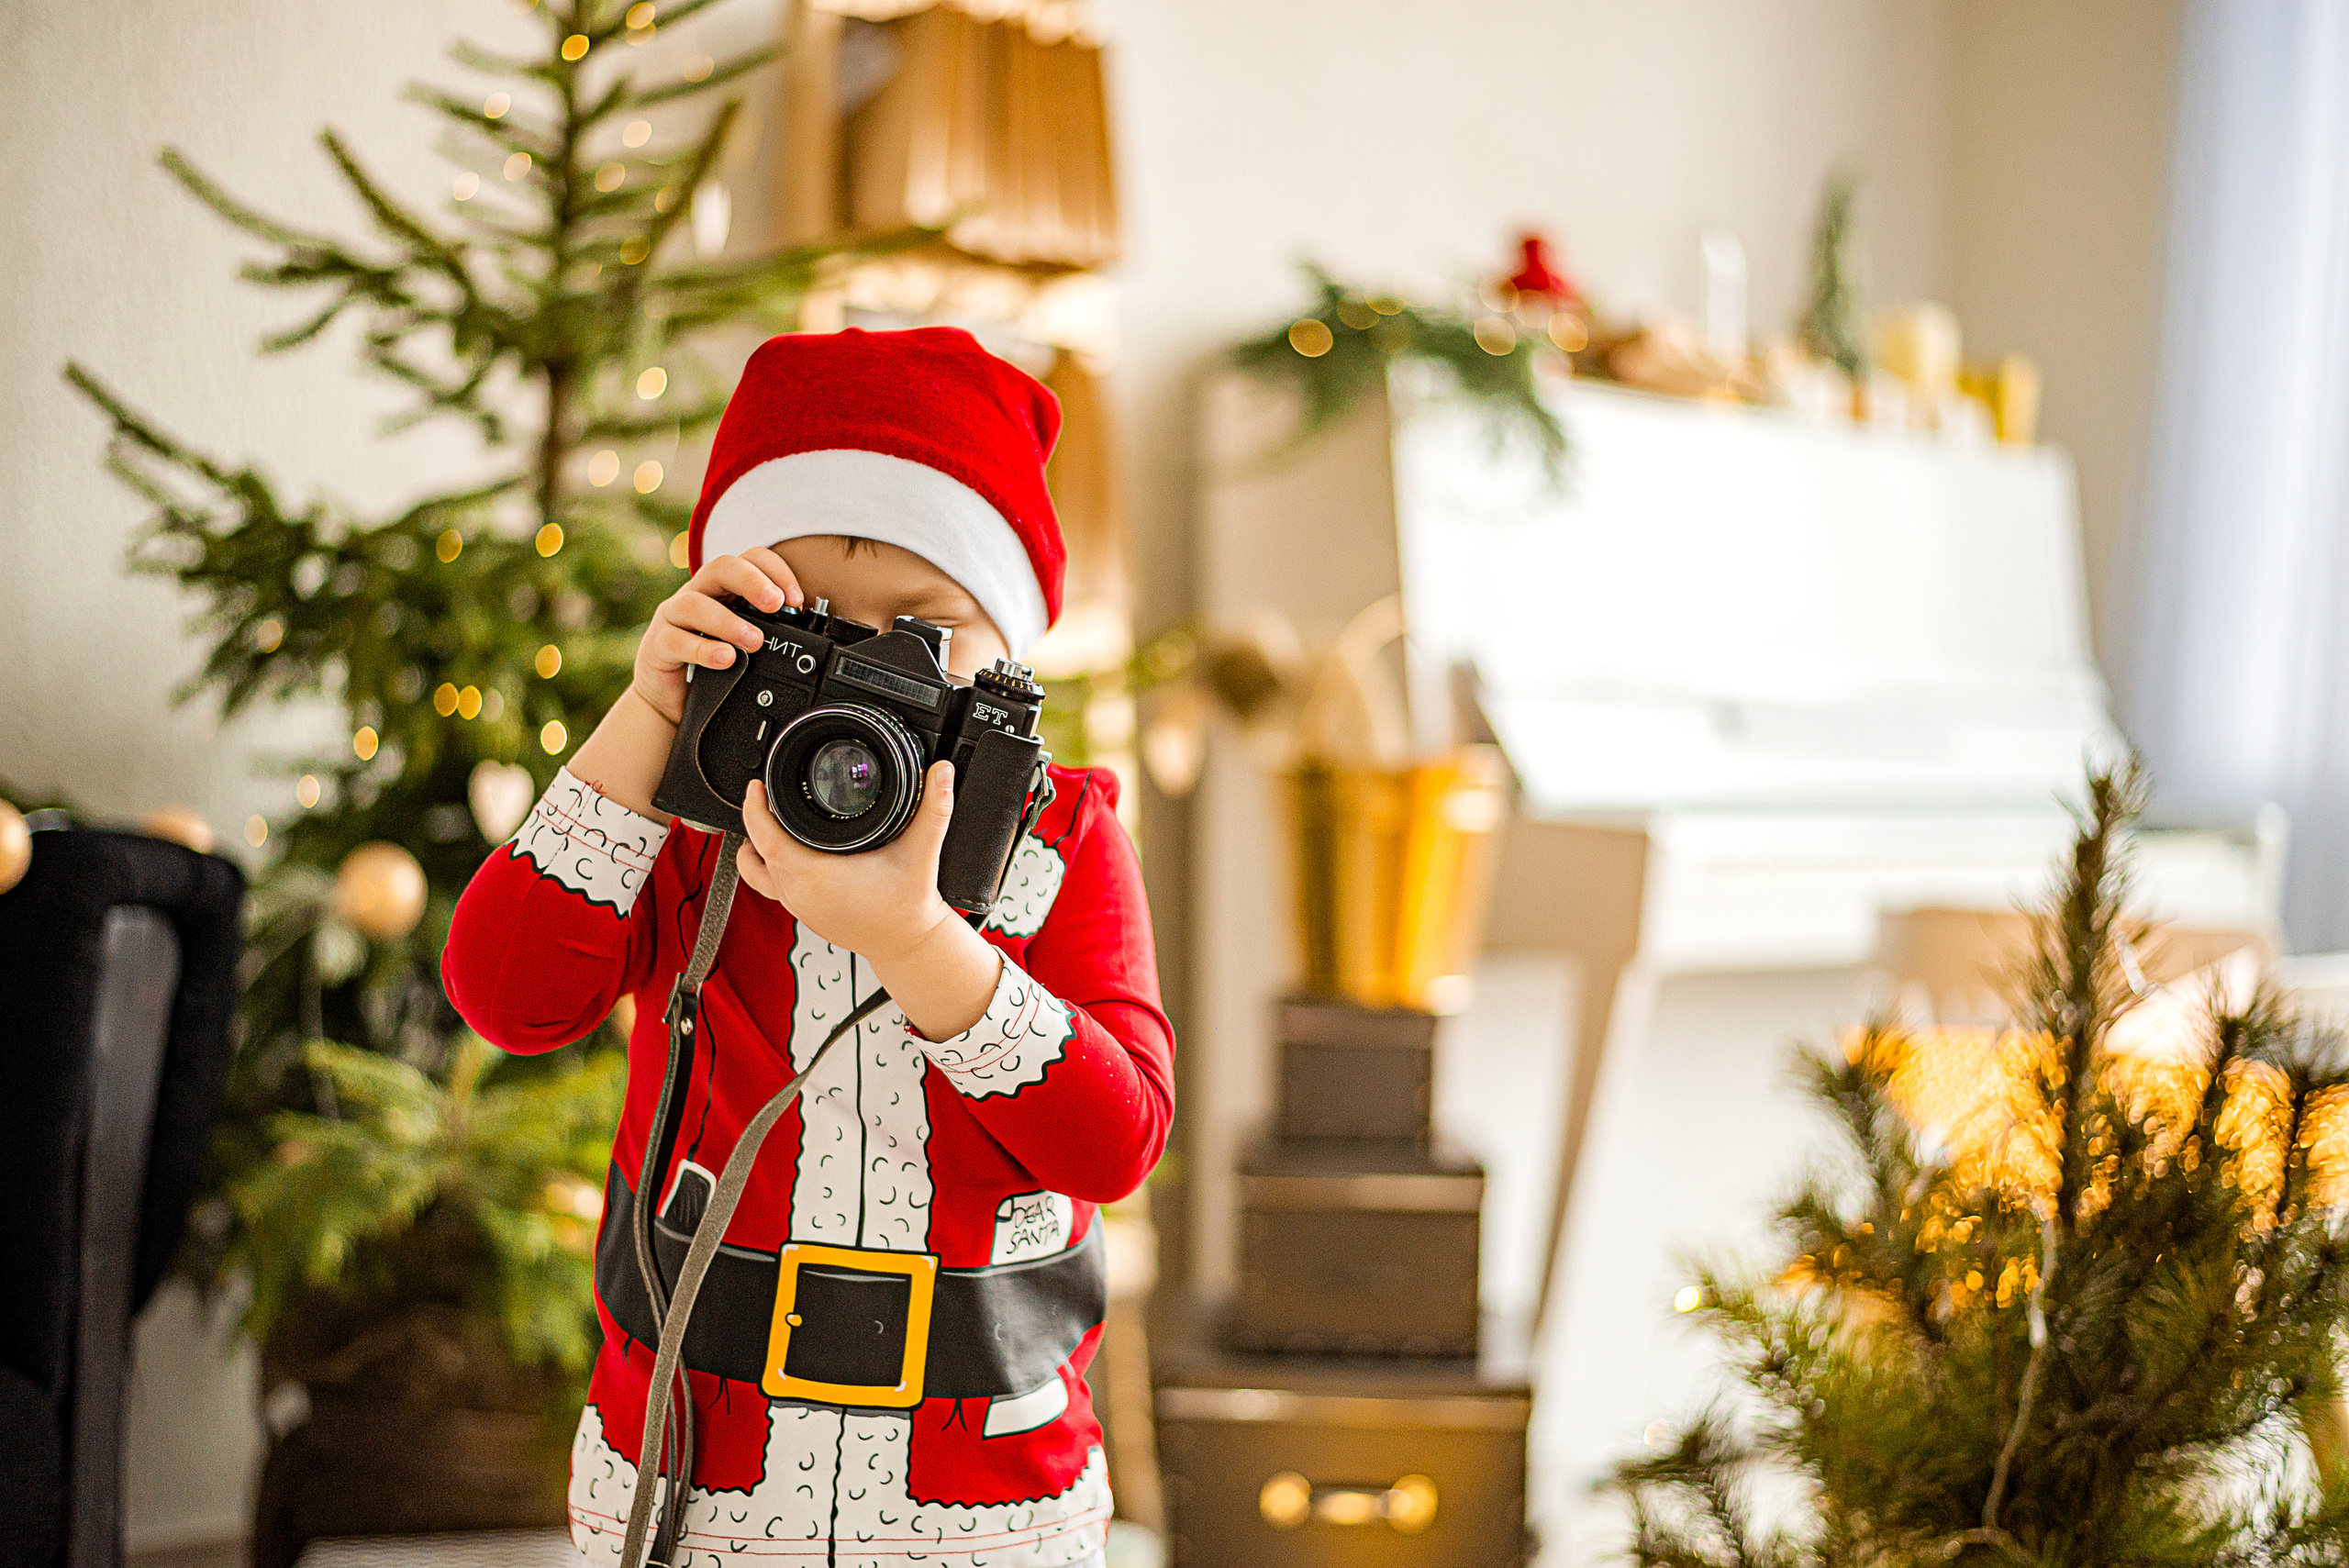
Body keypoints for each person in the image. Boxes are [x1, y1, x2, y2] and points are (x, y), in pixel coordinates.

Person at [442, 327, 1173, 1568]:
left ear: (1010, 655)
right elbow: (511, 999)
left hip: (980, 1494)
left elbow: (1118, 1139)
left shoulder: (1062, 839)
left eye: (923, 633)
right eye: (813, 625)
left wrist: (922, 941)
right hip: (694, 1477)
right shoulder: (684, 824)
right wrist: (649, 718)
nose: (864, 679)